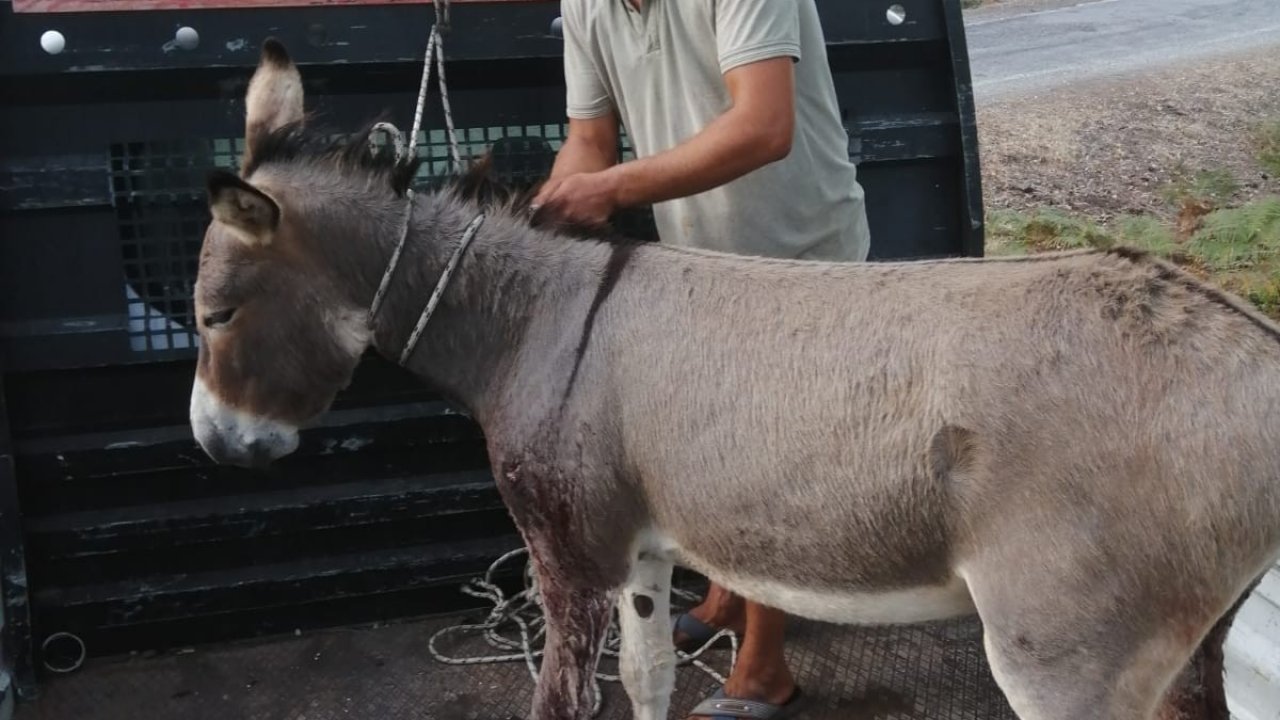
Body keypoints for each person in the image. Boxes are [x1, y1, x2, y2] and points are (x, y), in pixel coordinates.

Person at [531, 0, 871, 716]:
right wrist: (559, 205)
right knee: (717, 453)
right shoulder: (586, 5)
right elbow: (589, 137)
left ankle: (764, 670)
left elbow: (764, 126)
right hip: (698, 268)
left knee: (770, 463)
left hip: (798, 253)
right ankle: (725, 596)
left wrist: (613, 188)